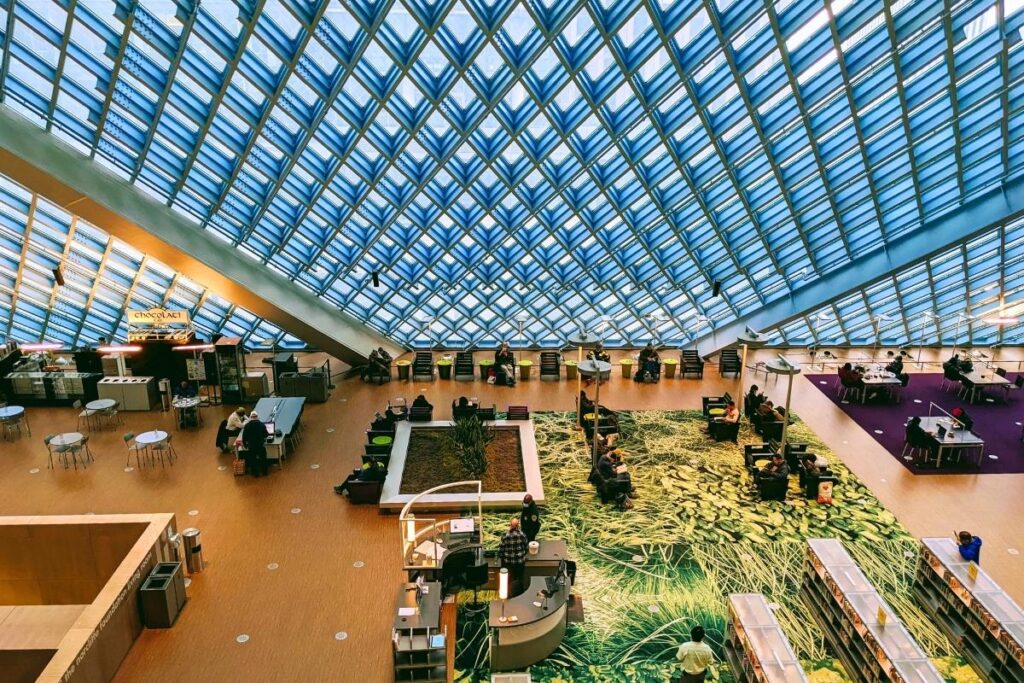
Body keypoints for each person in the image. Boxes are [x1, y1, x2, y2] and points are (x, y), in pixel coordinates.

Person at [498, 517, 529, 596]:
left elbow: (501, 549)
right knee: (519, 579)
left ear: (510, 525)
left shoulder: (505, 535)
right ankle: (519, 595)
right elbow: (526, 547)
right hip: (519, 563)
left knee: (508, 580)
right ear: (518, 526)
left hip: (508, 563)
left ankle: (508, 595)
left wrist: (501, 557)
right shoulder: (522, 535)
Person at [241, 410, 270, 477]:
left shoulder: (247, 426)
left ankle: (255, 473)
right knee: (263, 459)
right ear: (257, 417)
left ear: (250, 417)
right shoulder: (261, 424)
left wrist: (245, 445)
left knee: (253, 460)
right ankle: (264, 472)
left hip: (252, 446)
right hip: (260, 445)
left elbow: (244, 437)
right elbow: (266, 435)